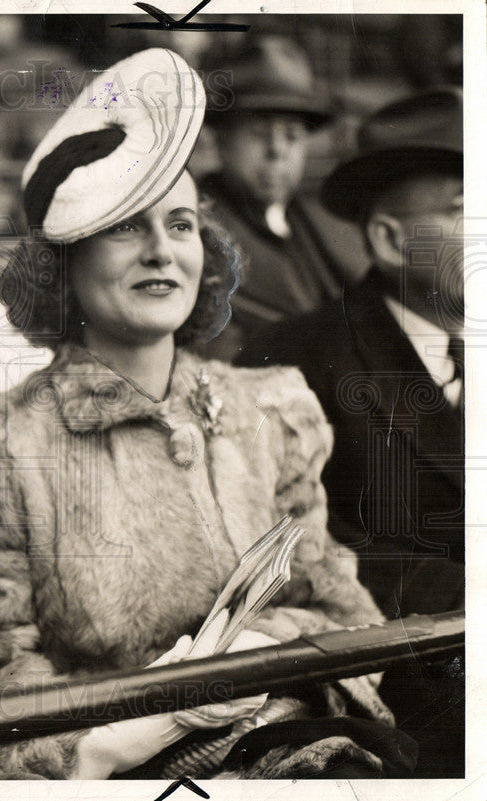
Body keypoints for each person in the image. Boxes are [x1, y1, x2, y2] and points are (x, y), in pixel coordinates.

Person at [0, 48, 411, 780]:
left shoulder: (272, 409)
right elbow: (4, 677)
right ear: (63, 262)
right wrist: (121, 736)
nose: (162, 250)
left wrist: (259, 653)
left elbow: (348, 618)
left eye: (181, 224)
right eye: (128, 226)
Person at [237, 88, 464, 777]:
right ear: (391, 239)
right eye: (462, 208)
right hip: (404, 710)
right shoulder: (292, 361)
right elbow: (284, 558)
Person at [197, 37, 367, 360]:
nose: (277, 151)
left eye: (292, 135)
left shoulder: (321, 221)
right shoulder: (198, 227)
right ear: (220, 140)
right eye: (259, 134)